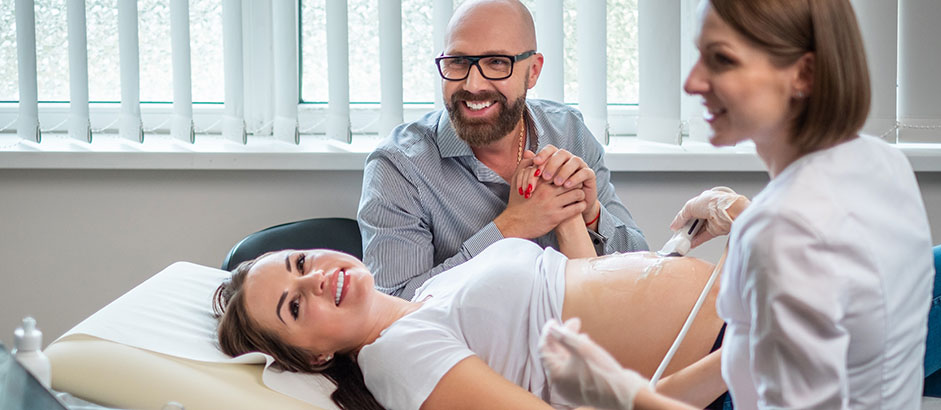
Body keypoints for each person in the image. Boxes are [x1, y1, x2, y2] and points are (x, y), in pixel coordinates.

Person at [538, 0, 941, 409]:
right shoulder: (880, 163)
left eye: (722, 60)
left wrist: (620, 394)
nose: (693, 81)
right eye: (700, 54)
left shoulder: (780, 231)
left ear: (804, 73)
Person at [214, 188, 726, 410]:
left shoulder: (428, 295)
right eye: (296, 306)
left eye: (300, 264)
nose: (316, 280)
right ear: (315, 356)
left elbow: (569, 286)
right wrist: (735, 363)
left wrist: (568, 213)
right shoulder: (398, 356)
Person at [357, 0, 647, 300]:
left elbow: (644, 271)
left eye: (496, 62)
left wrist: (591, 215)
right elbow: (393, 308)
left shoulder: (569, 131)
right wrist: (510, 227)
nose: (473, 84)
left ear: (533, 71)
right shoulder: (398, 166)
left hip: (571, 334)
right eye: (457, 61)